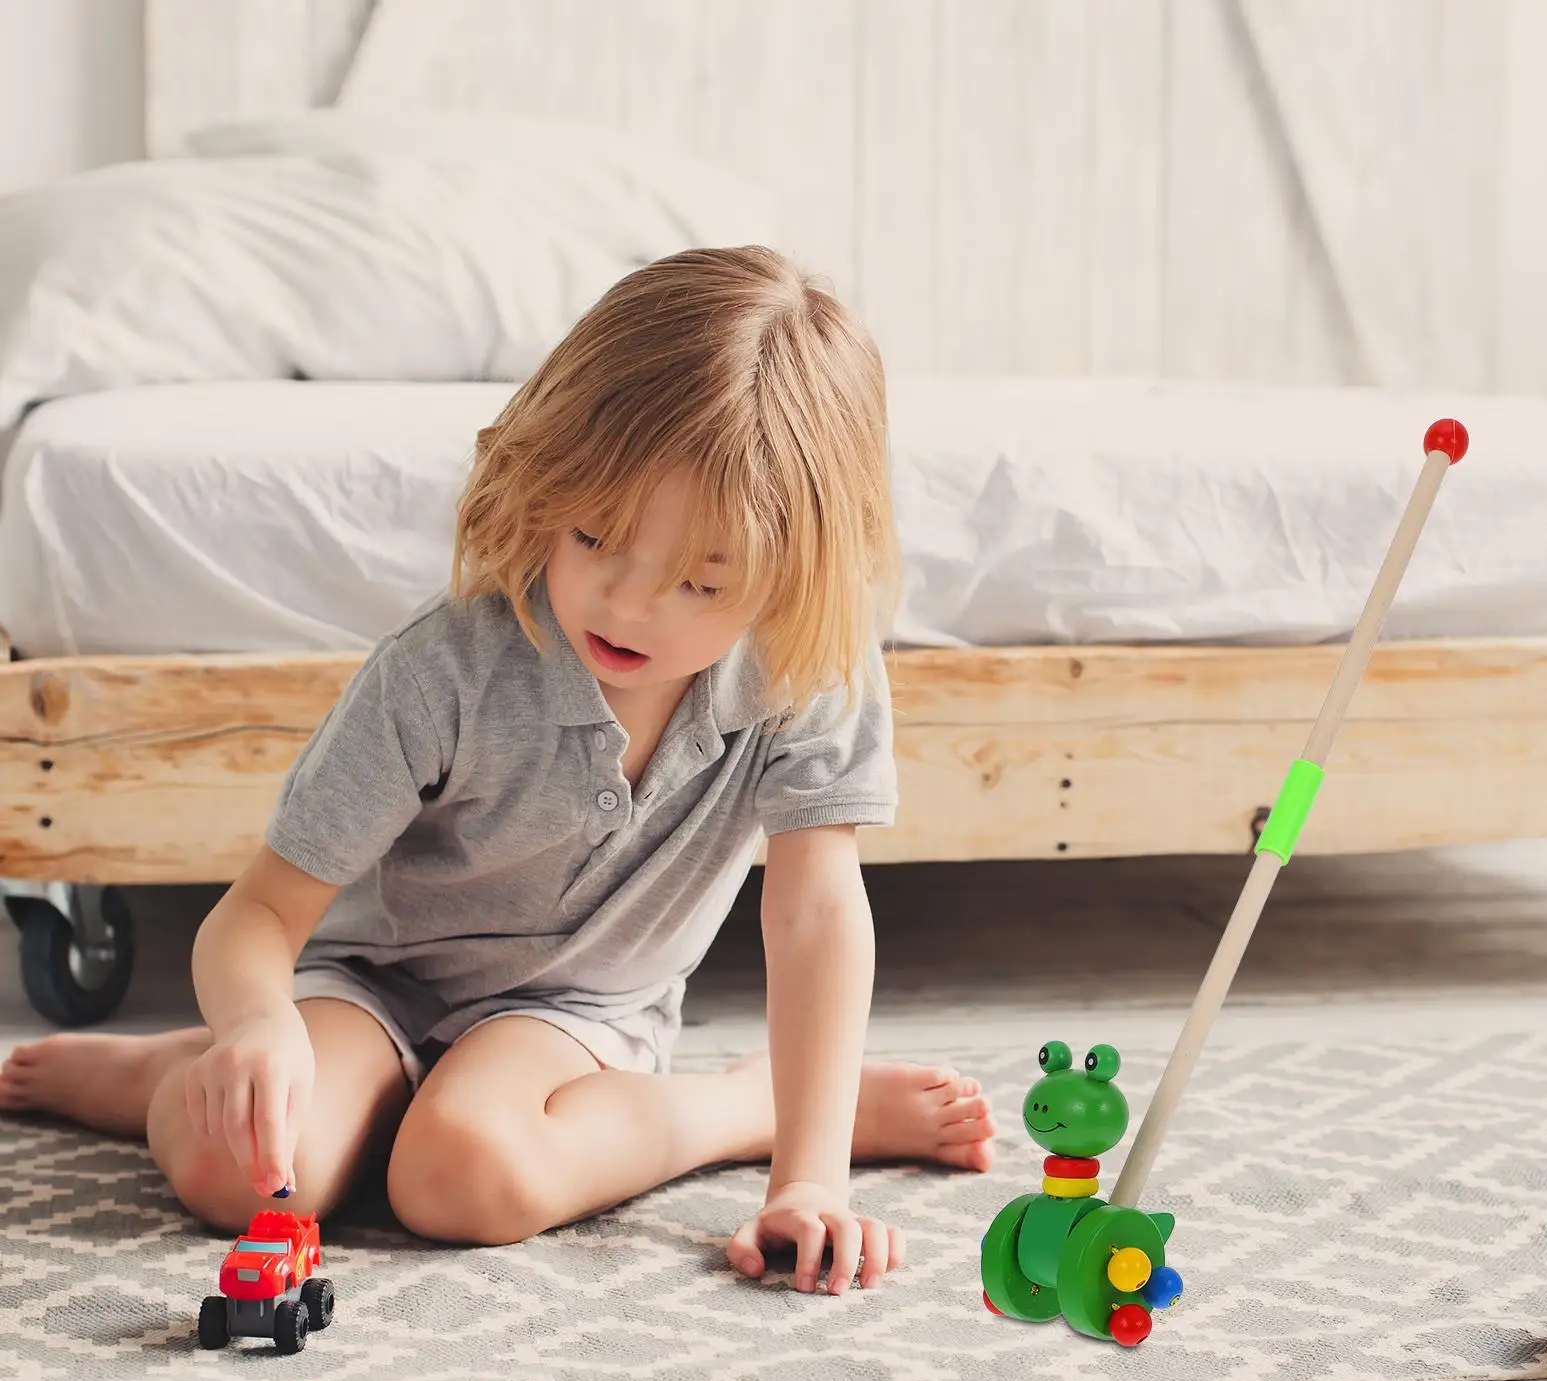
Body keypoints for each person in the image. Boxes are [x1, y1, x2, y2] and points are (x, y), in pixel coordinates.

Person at [0, 245, 994, 1296]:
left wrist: (810, 1170)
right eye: (593, 535)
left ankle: (742, 1105)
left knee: (461, 1179)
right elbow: (256, 918)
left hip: (578, 1015)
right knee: (233, 1173)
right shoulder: (447, 669)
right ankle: (172, 1065)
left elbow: (813, 919)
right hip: (375, 981)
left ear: (792, 578)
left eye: (701, 582)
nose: (625, 602)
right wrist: (255, 1026)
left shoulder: (808, 664)